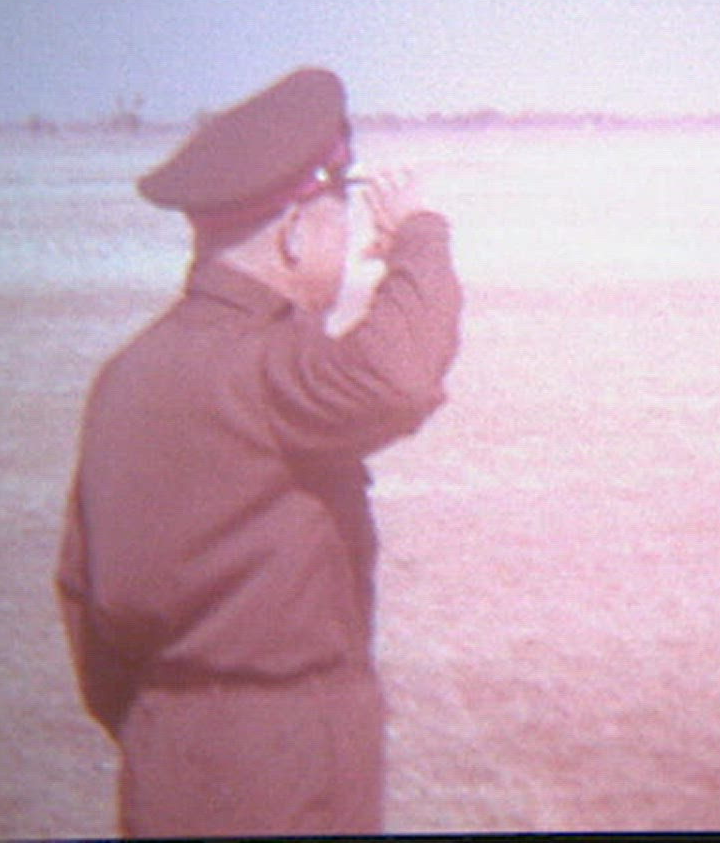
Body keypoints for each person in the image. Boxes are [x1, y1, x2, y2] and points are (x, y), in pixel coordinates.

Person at [55, 66, 463, 837]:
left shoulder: (126, 375)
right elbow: (400, 375)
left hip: (163, 752)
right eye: (340, 211)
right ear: (293, 231)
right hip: (287, 765)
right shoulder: (269, 365)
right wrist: (419, 237)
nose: (348, 237)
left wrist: (178, 721)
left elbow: (83, 596)